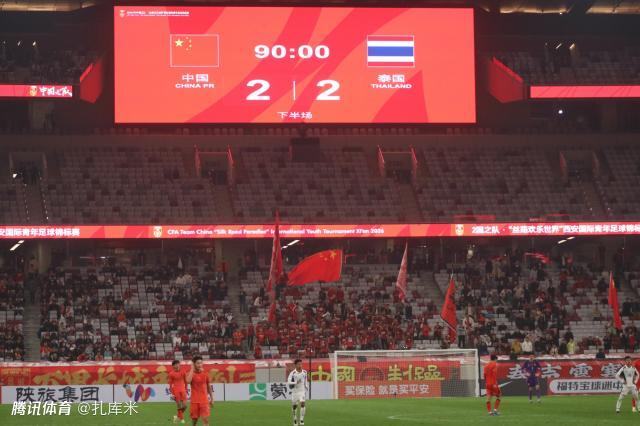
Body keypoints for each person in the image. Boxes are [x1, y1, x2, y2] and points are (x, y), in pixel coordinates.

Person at [186, 356, 214, 426]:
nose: (200, 365)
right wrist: (192, 369)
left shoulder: (205, 373)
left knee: (206, 420)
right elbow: (188, 381)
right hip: (194, 401)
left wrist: (212, 398)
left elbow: (209, 386)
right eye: (198, 363)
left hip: (204, 401)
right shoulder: (191, 373)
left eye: (201, 363)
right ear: (194, 364)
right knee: (194, 421)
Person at [287, 359, 308, 426]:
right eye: (298, 364)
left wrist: (306, 386)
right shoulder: (292, 373)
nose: (300, 365)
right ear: (295, 365)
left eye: (301, 364)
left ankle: (301, 419)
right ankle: (295, 419)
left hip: (302, 391)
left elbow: (305, 380)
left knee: (303, 403)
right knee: (294, 406)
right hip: (295, 392)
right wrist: (295, 382)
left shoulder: (304, 372)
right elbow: (289, 381)